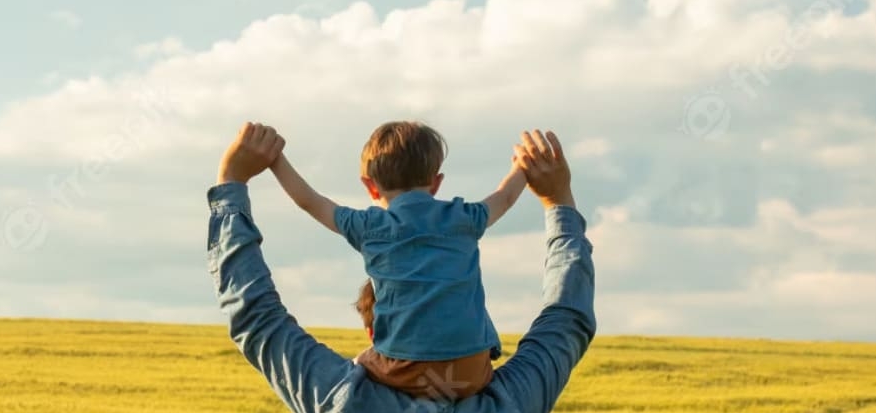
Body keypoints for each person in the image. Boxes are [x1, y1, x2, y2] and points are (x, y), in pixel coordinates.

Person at [207, 122, 597, 413]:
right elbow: (567, 320)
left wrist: (234, 182)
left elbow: (256, 319)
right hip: (473, 372)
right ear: (436, 181)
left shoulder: (346, 401)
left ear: (375, 328)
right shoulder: (512, 403)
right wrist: (556, 198)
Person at [266, 121, 527, 399]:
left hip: (407, 371)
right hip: (472, 371)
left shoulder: (369, 225)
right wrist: (523, 165)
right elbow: (506, 196)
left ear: (370, 186)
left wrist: (275, 160)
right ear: (436, 183)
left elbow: (311, 201)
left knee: (357, 366)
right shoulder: (465, 217)